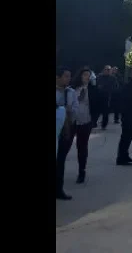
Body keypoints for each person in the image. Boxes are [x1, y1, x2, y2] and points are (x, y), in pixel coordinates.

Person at [56, 67, 77, 200]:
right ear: (57, 77)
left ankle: (59, 189)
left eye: (69, 76)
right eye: (65, 76)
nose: (68, 79)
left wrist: (69, 110)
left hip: (66, 130)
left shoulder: (71, 92)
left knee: (61, 160)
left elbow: (75, 108)